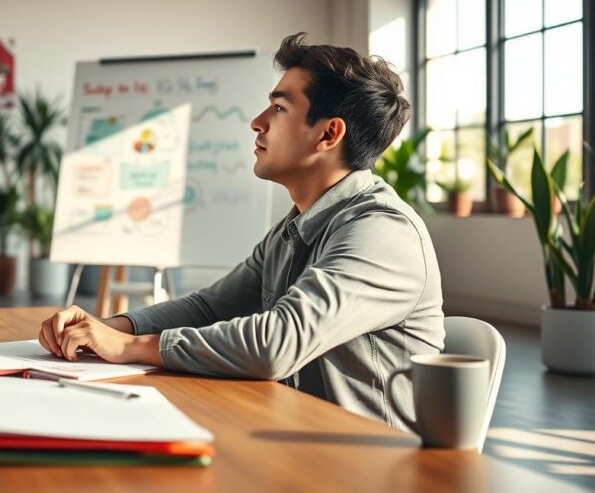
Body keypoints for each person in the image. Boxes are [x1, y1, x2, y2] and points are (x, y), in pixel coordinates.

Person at [37, 33, 445, 431]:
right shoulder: (296, 226)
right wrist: (106, 328)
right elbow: (209, 309)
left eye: (279, 109)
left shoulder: (383, 231)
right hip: (292, 440)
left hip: (368, 465)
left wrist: (128, 348)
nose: (257, 122)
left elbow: (276, 344)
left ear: (328, 134)